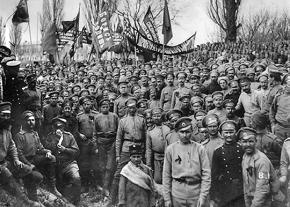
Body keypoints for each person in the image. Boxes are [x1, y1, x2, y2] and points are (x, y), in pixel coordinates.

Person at [163, 117, 211, 207]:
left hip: (195, 194)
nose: (185, 135)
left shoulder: (200, 148)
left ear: (192, 132)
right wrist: (167, 198)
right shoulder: (171, 149)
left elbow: (206, 174)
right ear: (177, 132)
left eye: (187, 132)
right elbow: (166, 175)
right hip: (177, 194)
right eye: (182, 132)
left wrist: (203, 196)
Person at [14, 111, 63, 198]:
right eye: (28, 120)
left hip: (34, 158)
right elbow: (19, 154)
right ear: (24, 122)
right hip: (25, 162)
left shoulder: (35, 133)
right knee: (37, 177)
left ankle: (52, 187)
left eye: (33, 120)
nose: (31, 122)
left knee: (52, 158)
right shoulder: (20, 135)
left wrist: (48, 152)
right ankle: (31, 193)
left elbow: (40, 148)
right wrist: (29, 164)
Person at [110, 97, 147, 204]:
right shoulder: (123, 121)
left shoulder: (141, 119)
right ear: (127, 108)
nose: (132, 109)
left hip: (139, 147)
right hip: (126, 147)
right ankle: (112, 199)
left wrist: (144, 152)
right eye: (130, 108)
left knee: (140, 171)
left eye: (134, 107)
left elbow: (145, 137)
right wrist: (118, 155)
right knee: (118, 173)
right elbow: (118, 139)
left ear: (136, 107)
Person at [42, 117, 81, 205]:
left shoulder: (69, 136)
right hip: (56, 166)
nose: (59, 129)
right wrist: (56, 141)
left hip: (69, 164)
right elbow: (45, 149)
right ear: (53, 127)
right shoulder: (50, 136)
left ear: (64, 127)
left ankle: (77, 201)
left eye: (61, 127)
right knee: (60, 188)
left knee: (76, 178)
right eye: (56, 127)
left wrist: (65, 149)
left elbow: (76, 152)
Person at [239, 127, 280, 207]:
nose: (247, 145)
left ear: (256, 142)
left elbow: (262, 189)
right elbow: (246, 184)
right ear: (240, 142)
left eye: (251, 141)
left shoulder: (261, 161)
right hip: (251, 198)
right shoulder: (245, 156)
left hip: (262, 201)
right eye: (244, 142)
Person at [210, 120, 245, 207]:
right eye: (226, 132)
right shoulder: (218, 151)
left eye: (231, 132)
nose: (229, 135)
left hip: (241, 189)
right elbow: (214, 174)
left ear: (236, 133)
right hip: (225, 190)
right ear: (221, 134)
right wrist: (214, 195)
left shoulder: (242, 149)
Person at [94, 99, 119, 196]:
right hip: (101, 142)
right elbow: (94, 133)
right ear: (100, 108)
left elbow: (118, 131)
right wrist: (96, 146)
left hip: (112, 142)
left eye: (107, 106)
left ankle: (107, 187)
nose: (105, 108)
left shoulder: (114, 116)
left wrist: (116, 144)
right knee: (102, 166)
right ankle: (103, 186)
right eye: (103, 107)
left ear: (109, 107)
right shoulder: (97, 117)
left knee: (110, 166)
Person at [76, 95, 99, 189]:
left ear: (91, 104)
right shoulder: (79, 116)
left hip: (94, 141)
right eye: (84, 104)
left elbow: (99, 128)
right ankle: (85, 184)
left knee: (95, 163)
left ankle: (96, 183)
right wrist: (79, 135)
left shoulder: (96, 114)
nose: (86, 106)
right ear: (82, 106)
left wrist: (96, 138)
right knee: (84, 163)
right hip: (84, 143)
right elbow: (75, 130)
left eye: (88, 104)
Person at [146, 107, 170, 184]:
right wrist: (149, 164)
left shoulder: (167, 129)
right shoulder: (150, 131)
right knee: (157, 179)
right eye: (154, 116)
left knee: (167, 178)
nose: (156, 118)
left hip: (168, 157)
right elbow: (148, 149)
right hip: (156, 159)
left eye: (158, 115)